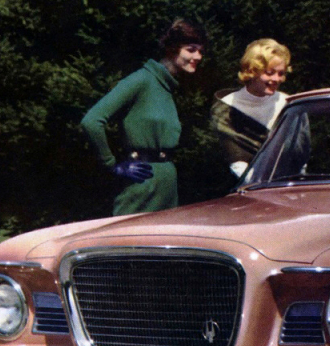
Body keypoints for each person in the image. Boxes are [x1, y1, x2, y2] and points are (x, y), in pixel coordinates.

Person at [80, 19, 206, 215]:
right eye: (191, 50)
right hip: (141, 185)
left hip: (166, 187)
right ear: (172, 49)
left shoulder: (168, 87)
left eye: (200, 51)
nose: (198, 56)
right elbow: (92, 121)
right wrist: (112, 165)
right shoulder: (142, 79)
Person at [211, 38, 290, 177]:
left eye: (281, 73)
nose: (277, 79)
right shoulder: (227, 107)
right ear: (252, 71)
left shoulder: (287, 103)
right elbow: (237, 163)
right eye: (269, 72)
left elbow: (299, 155)